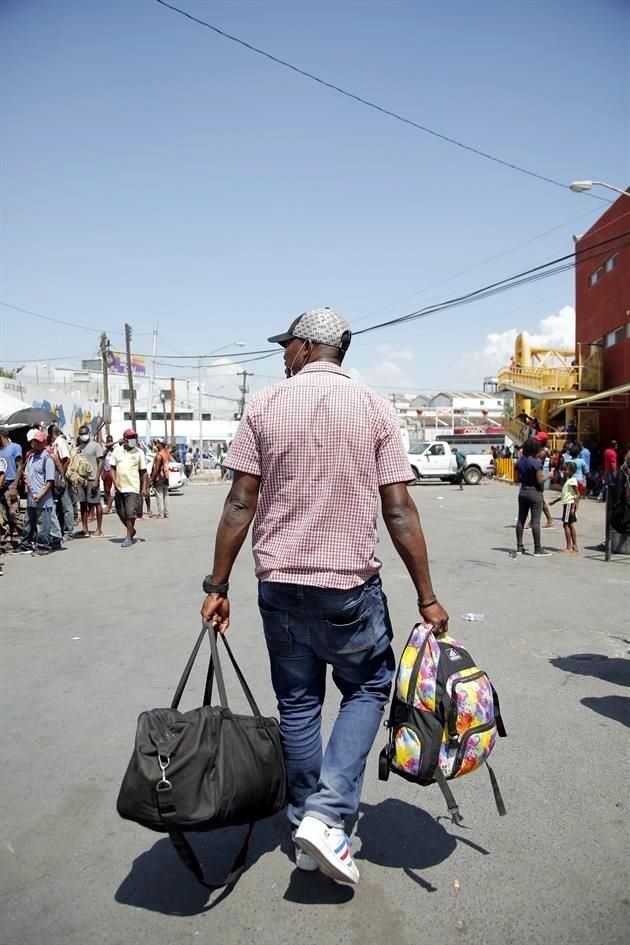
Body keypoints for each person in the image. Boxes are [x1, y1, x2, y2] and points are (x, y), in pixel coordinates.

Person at [200, 307, 448, 886]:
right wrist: (427, 597)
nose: (283, 354)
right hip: (348, 591)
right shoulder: (376, 409)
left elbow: (241, 502)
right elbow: (399, 510)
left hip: (280, 586)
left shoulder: (264, 405)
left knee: (298, 702)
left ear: (311, 346)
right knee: (367, 686)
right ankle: (329, 814)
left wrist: (217, 584)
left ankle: (308, 821)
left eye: (288, 344)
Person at [17, 431, 56, 556]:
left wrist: (40, 495)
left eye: (39, 442)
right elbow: (27, 473)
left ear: (44, 442)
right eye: (34, 441)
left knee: (42, 524)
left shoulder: (47, 459)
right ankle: (25, 544)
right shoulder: (31, 457)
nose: (36, 444)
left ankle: (43, 546)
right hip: (31, 498)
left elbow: (50, 482)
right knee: (28, 523)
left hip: (43, 499)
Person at [514, 437, 552, 556]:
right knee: (536, 521)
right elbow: (540, 480)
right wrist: (549, 476)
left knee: (521, 520)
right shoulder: (536, 462)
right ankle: (538, 548)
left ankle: (519, 547)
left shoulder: (519, 462)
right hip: (535, 493)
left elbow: (515, 479)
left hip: (523, 491)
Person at [110, 429, 148, 548]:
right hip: (119, 487)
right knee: (121, 512)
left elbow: (144, 472)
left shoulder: (139, 452)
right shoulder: (117, 451)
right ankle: (131, 530)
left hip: (133, 487)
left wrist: (144, 488)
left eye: (134, 437)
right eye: (131, 438)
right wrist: (115, 482)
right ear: (125, 440)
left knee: (130, 513)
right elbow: (112, 468)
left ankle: (128, 537)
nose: (133, 440)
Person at [75, 424, 104, 537]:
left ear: (89, 433)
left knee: (96, 503)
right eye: (81, 434)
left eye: (85, 433)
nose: (83, 435)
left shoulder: (96, 446)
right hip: (82, 480)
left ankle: (99, 529)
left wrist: (97, 479)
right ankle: (85, 529)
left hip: (92, 479)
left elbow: (100, 462)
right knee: (83, 504)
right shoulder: (79, 448)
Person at [48, 423, 74, 540]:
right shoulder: (54, 443)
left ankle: (68, 531)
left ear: (51, 434)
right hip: (57, 476)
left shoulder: (59, 442)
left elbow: (66, 459)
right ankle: (61, 530)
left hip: (60, 477)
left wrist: (61, 475)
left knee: (66, 505)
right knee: (58, 505)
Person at [0, 426, 24, 542]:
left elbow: (20, 467)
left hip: (11, 485)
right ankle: (7, 541)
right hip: (2, 486)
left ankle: (26, 538)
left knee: (14, 514)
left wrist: (15, 486)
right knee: (4, 517)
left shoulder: (15, 447)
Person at [550, 461, 579, 553]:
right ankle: (574, 546)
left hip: (569, 505)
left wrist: (574, 507)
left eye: (565, 470)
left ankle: (569, 547)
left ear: (571, 471)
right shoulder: (568, 481)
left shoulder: (572, 481)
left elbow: (578, 494)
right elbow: (564, 495)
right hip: (568, 504)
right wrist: (555, 501)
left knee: (566, 525)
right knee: (570, 525)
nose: (564, 471)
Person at [151, 438, 171, 519]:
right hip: (166, 476)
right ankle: (166, 513)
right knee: (166, 495)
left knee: (159, 495)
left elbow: (156, 469)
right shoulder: (166, 453)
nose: (155, 444)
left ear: (160, 444)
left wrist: (151, 479)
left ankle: (161, 514)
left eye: (156, 442)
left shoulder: (159, 455)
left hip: (160, 477)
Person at [102, 435, 116, 514]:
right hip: (106, 471)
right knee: (107, 490)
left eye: (111, 440)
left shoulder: (115, 451)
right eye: (108, 441)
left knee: (113, 490)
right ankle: (107, 503)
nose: (110, 442)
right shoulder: (104, 452)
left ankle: (112, 505)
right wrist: (102, 473)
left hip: (113, 472)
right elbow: (101, 461)